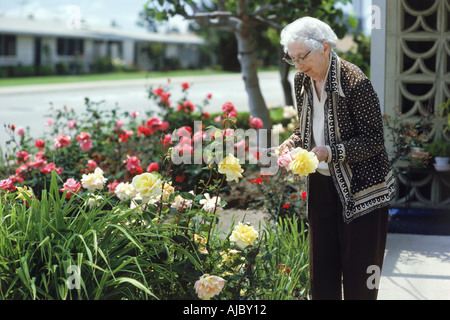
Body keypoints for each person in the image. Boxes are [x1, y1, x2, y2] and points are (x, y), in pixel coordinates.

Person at [279, 17, 396, 300]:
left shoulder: (355, 81)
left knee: (361, 274)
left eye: (302, 57)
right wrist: (291, 143)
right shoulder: (301, 80)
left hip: (363, 188)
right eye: (291, 58)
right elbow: (305, 127)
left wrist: (331, 152)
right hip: (321, 184)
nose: (297, 66)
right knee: (322, 268)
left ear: (325, 48)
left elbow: (373, 141)